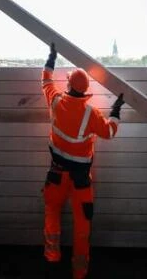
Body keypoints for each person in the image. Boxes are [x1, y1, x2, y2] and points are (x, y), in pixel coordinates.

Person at [41, 42, 125, 279]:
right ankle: (80, 270)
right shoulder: (92, 114)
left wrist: (51, 58)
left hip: (56, 174)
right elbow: (109, 132)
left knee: (52, 213)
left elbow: (46, 81)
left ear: (68, 85)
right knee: (82, 225)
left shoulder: (56, 102)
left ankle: (51, 258)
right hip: (80, 180)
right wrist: (116, 111)